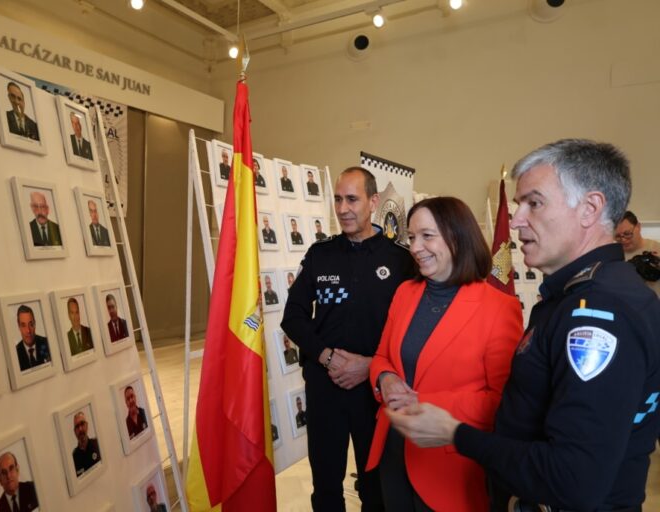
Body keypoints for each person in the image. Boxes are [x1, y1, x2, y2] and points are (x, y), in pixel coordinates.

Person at [386, 139, 660, 511]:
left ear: (590, 208)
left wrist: (455, 433)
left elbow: (573, 478)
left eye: (534, 203)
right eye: (517, 205)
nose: (515, 221)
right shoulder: (576, 296)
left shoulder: (599, 312)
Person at [367, 197, 522, 511]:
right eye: (412, 237)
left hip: (449, 465)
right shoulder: (405, 293)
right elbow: (382, 356)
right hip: (393, 450)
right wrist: (385, 378)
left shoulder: (498, 307)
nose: (415, 247)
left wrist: (421, 402)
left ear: (458, 237)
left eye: (427, 236)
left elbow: (502, 401)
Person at [281, 166, 416, 511]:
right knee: (326, 486)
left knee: (376, 488)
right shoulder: (320, 254)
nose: (343, 209)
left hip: (375, 390)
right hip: (325, 387)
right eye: (338, 199)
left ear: (373, 201)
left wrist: (370, 366)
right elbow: (292, 316)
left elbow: (411, 331)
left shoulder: (401, 260)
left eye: (352, 199)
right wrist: (327, 357)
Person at [615, 210, 660, 296]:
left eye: (627, 233)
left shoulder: (657, 248)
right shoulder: (612, 257)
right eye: (617, 236)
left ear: (638, 227)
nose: (623, 239)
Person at [15, 305, 51, 371]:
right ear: (19, 326)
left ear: (35, 324)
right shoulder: (15, 354)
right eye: (23, 325)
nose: (28, 331)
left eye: (31, 324)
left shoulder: (48, 343)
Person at [72, 411, 101, 477]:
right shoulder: (73, 458)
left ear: (87, 425)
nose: (80, 429)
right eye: (77, 426)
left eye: (82, 424)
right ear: (75, 432)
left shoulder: (97, 444)